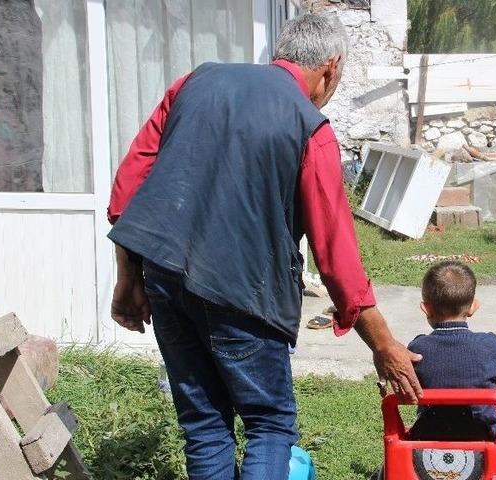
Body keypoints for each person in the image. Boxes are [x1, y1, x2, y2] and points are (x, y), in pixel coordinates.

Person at [106, 13, 422, 480]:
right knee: (269, 426)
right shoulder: (309, 125)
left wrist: (128, 278)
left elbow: (128, 191)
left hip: (165, 279)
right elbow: (336, 256)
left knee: (205, 426)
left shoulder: (193, 84)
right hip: (245, 295)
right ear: (330, 68)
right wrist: (383, 344)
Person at [407, 261, 496, 440]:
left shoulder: (417, 349)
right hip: (483, 433)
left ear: (426, 309)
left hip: (429, 432)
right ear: (473, 306)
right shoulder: (489, 344)